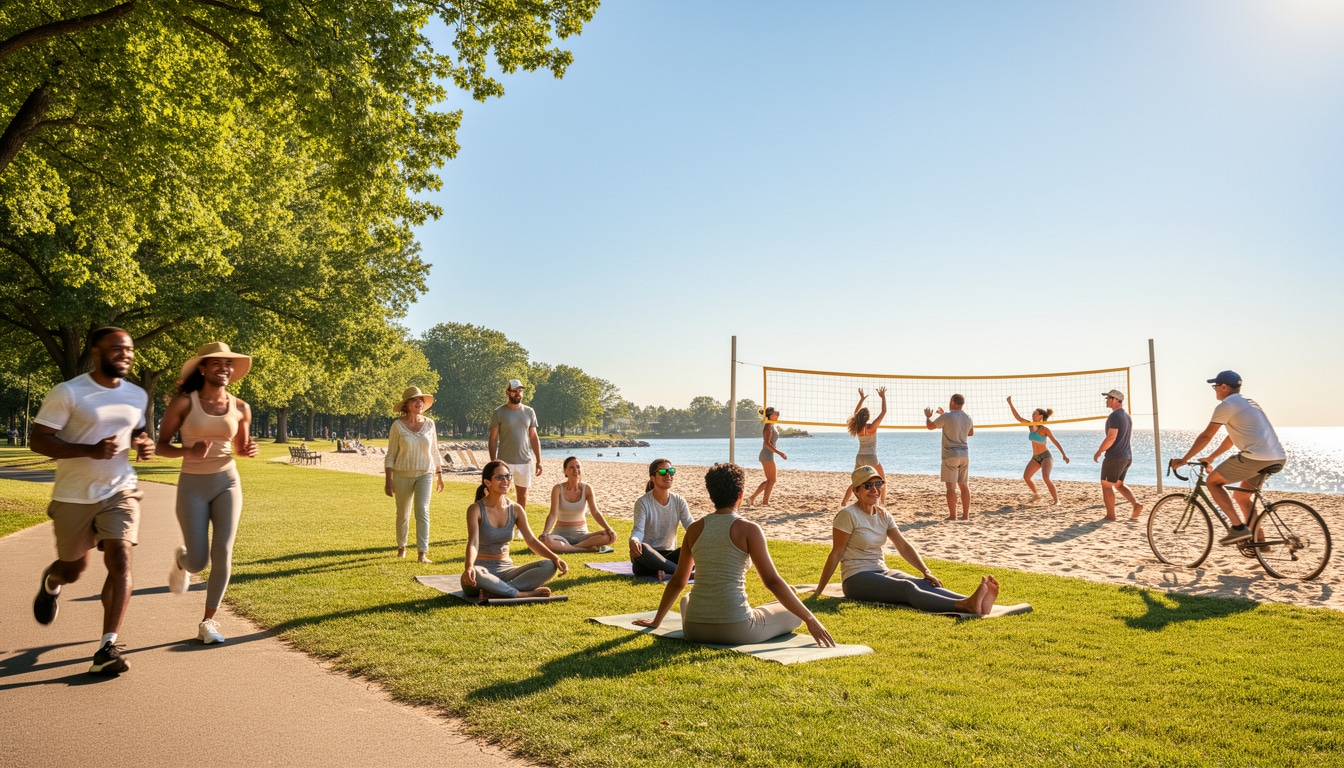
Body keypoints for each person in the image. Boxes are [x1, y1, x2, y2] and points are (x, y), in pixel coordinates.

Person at [30, 327, 156, 675]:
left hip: (120, 489)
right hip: (73, 494)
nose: (125, 355)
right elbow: (38, 441)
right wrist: (89, 450)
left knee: (121, 559)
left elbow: (135, 431)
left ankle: (106, 647)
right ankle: (51, 582)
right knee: (74, 570)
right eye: (116, 349)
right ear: (96, 352)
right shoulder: (69, 392)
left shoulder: (136, 394)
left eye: (129, 349)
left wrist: (143, 443)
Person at [634, 463, 835, 646]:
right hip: (738, 628)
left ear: (710, 494)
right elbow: (772, 581)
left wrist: (657, 621)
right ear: (740, 494)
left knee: (687, 599)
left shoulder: (694, 529)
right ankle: (786, 604)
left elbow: (678, 580)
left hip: (694, 629)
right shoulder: (749, 529)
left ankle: (778, 601)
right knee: (794, 615)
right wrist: (811, 619)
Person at [154, 342, 258, 645]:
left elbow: (241, 447)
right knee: (199, 561)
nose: (224, 369)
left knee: (223, 552)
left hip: (227, 482)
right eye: (217, 364)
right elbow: (162, 446)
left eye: (228, 364)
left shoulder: (241, 407)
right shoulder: (184, 403)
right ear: (202, 368)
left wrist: (249, 449)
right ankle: (182, 561)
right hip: (192, 485)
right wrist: (189, 449)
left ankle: (208, 621)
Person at [813, 466, 1003, 614]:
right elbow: (836, 553)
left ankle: (973, 600)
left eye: (878, 484)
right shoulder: (847, 515)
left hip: (881, 571)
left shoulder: (883, 514)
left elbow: (902, 545)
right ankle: (965, 605)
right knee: (906, 588)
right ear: (856, 491)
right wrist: (819, 591)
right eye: (868, 486)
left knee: (924, 583)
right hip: (856, 579)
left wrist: (925, 571)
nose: (875, 490)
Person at [1169, 371, 1286, 545]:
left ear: (1224, 386)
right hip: (1277, 457)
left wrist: (1184, 459)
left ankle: (1238, 528)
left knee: (1212, 482)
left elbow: (1206, 436)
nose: (1214, 389)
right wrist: (1212, 457)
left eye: (1215, 386)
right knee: (1242, 497)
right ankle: (1259, 542)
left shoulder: (1227, 405)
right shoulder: (1249, 403)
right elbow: (1231, 438)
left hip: (1255, 458)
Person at [462, 460, 567, 599]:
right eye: (499, 477)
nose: (505, 480)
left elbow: (531, 541)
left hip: (507, 571)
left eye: (508, 476)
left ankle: (498, 590)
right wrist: (469, 567)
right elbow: (473, 543)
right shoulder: (476, 509)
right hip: (481, 573)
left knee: (548, 565)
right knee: (477, 573)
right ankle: (519, 593)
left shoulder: (516, 509)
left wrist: (555, 558)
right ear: (487, 482)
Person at [384, 386, 444, 562]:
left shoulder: (430, 424)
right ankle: (402, 547)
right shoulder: (397, 426)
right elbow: (390, 456)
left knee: (422, 511)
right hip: (402, 474)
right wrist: (388, 480)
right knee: (403, 513)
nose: (419, 403)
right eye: (415, 400)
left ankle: (422, 553)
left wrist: (439, 474)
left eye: (421, 400)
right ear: (406, 404)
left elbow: (435, 450)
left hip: (426, 473)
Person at [629, 458, 695, 580]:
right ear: (652, 478)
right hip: (646, 556)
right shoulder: (642, 503)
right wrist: (634, 540)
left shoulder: (679, 501)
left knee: (693, 548)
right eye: (663, 472)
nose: (668, 475)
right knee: (642, 547)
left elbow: (690, 526)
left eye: (671, 471)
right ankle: (683, 573)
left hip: (669, 554)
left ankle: (661, 568)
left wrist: (704, 537)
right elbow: (638, 530)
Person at [541, 456, 617, 553]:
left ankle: (570, 548)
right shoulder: (557, 489)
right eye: (572, 467)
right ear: (565, 471)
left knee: (608, 536)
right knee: (546, 540)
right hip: (560, 535)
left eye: (578, 467)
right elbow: (553, 514)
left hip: (583, 536)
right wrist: (545, 533)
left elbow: (595, 512)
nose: (576, 470)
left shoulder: (587, 489)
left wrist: (608, 528)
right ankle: (583, 549)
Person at [488, 378, 543, 507]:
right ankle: (502, 525)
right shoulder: (499, 412)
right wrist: (493, 462)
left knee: (522, 497)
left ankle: (519, 527)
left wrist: (539, 461)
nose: (518, 394)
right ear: (507, 392)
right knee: (501, 496)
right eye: (514, 391)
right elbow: (493, 438)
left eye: (520, 391)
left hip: (525, 461)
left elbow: (533, 437)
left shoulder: (529, 412)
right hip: (504, 462)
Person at [1007, 396, 1070, 505]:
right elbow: (1018, 417)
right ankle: (1036, 495)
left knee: (1045, 477)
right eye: (1033, 413)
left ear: (1040, 416)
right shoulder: (1030, 426)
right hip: (1035, 457)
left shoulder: (1044, 429)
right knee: (1026, 477)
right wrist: (1010, 403)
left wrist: (1064, 455)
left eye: (1035, 413)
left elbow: (1055, 442)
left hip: (1046, 456)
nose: (1032, 414)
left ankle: (1056, 501)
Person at [1093, 389, 1143, 521]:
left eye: (1108, 398)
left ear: (1115, 400)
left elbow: (1111, 437)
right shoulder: (1126, 416)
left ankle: (1110, 515)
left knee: (1106, 485)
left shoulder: (1115, 416)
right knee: (1119, 484)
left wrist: (1099, 451)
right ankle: (1136, 505)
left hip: (1115, 456)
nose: (1106, 400)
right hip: (1127, 456)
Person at [925, 394, 974, 520]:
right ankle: (965, 516)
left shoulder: (947, 416)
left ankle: (953, 516)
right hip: (964, 453)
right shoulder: (967, 417)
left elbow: (930, 427)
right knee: (964, 485)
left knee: (951, 487)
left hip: (951, 454)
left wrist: (927, 417)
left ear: (952, 401)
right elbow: (971, 433)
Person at [841, 388, 888, 507]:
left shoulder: (857, 428)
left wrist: (861, 399)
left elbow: (855, 414)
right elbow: (883, 412)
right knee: (882, 480)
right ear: (867, 417)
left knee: (856, 481)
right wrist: (883, 397)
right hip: (871, 457)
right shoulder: (872, 427)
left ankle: (844, 501)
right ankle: (882, 503)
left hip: (860, 457)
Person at [746, 407, 787, 506]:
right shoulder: (768, 426)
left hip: (768, 454)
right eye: (776, 412)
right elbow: (767, 443)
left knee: (771, 480)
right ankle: (764, 503)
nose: (778, 414)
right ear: (770, 415)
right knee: (772, 480)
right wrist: (780, 453)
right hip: (766, 454)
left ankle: (752, 498)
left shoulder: (772, 425)